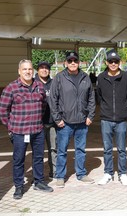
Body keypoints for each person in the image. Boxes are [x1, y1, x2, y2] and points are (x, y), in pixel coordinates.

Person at [0, 59, 53, 200]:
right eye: (24, 69)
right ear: (19, 71)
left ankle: (39, 181)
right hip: (19, 131)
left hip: (37, 130)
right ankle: (19, 186)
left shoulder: (39, 86)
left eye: (30, 69)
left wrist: (38, 120)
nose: (28, 72)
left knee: (39, 158)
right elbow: (3, 109)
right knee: (18, 159)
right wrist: (10, 127)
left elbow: (44, 106)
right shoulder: (11, 88)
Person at [49, 51, 96, 188]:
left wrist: (90, 116)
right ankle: (60, 176)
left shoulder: (85, 77)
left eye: (75, 60)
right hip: (65, 122)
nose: (73, 63)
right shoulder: (59, 77)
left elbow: (91, 98)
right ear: (66, 63)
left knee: (80, 150)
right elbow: (53, 100)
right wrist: (57, 119)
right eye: (70, 61)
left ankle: (81, 173)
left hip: (82, 121)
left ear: (79, 62)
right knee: (62, 150)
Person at [96, 50, 127, 186]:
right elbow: (99, 96)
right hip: (106, 118)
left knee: (122, 148)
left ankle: (123, 173)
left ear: (119, 62)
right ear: (106, 62)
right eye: (110, 61)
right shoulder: (100, 77)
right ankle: (108, 173)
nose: (113, 64)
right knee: (107, 148)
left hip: (121, 119)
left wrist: (123, 107)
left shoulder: (126, 77)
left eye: (116, 61)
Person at [35, 61, 57, 179]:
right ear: (37, 70)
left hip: (52, 122)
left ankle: (54, 172)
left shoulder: (54, 83)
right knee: (38, 151)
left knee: (53, 148)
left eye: (46, 68)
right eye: (41, 68)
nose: (44, 70)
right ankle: (38, 176)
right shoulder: (33, 84)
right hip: (38, 123)